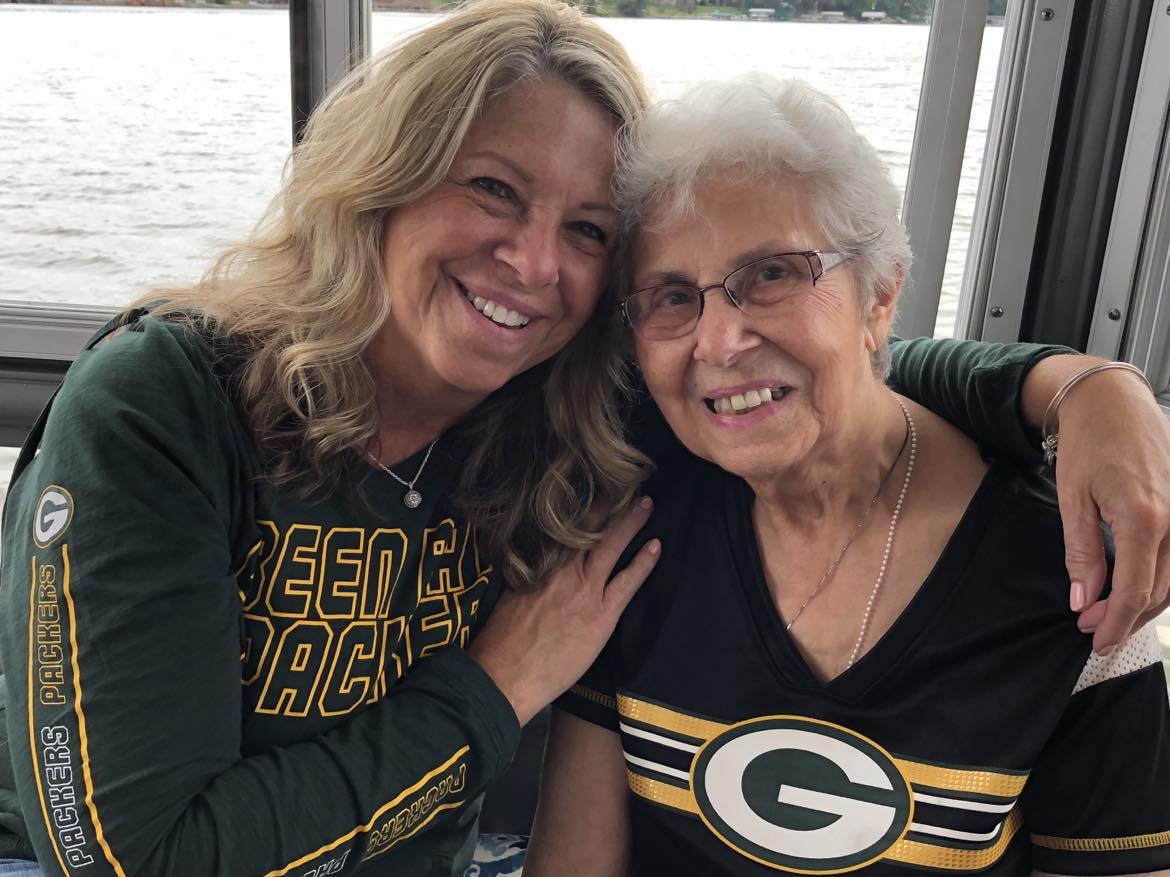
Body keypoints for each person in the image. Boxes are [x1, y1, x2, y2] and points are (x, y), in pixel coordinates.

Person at [0, 3, 1168, 874]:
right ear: (380, 184)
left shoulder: (554, 406)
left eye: (588, 228)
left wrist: (1084, 389)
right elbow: (130, 859)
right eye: (495, 190)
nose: (535, 265)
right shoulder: (171, 406)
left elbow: (811, 379)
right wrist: (499, 683)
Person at [527, 77, 1170, 877]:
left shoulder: (1073, 573)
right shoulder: (636, 526)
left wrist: (1097, 388)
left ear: (882, 295)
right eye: (671, 296)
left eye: (772, 274)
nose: (721, 340)